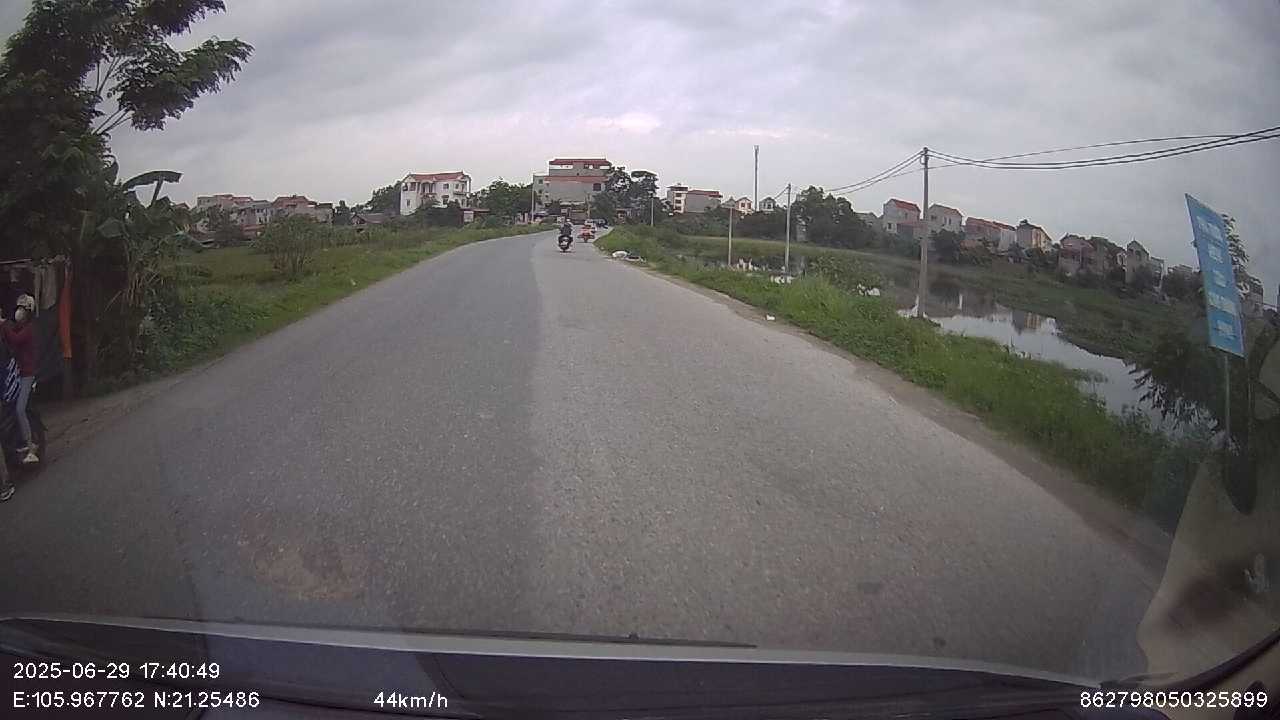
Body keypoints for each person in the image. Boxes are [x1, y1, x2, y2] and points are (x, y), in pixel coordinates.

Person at [0, 294, 39, 465]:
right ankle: (21, 441)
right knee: (10, 408)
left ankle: (31, 448)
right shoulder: (18, 327)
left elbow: (14, 339)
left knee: (19, 410)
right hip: (18, 375)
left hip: (27, 376)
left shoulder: (28, 329)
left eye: (23, 309)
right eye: (19, 308)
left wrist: (3, 325)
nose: (19, 312)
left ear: (28, 312)